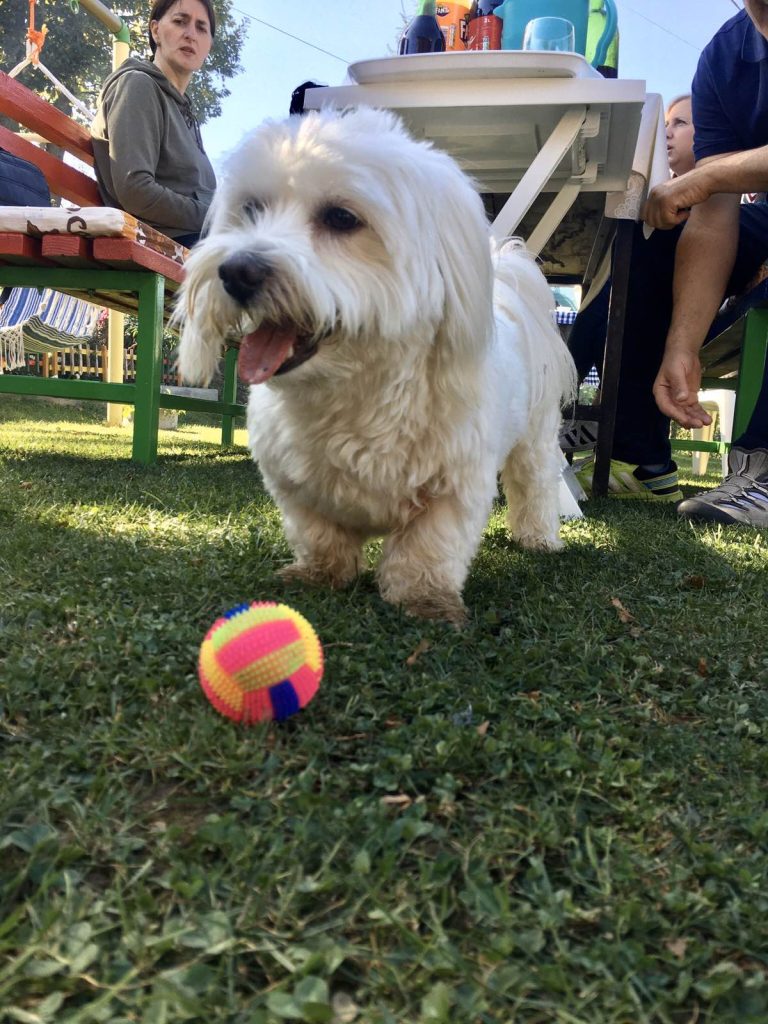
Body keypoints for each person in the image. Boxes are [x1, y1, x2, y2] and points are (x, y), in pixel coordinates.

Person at [572, 20, 768, 512]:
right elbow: (712, 218)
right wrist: (682, 348)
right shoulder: (725, 57)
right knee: (656, 236)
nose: (670, 132)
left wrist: (708, 176)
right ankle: (636, 453)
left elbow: (713, 184)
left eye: (679, 124)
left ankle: (762, 463)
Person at [91, 0, 216, 246]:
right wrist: (217, 219)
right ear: (156, 30)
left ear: (209, 45)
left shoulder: (184, 112)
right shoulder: (138, 85)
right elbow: (136, 190)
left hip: (197, 240)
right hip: (160, 243)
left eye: (202, 28)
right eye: (180, 21)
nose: (191, 34)